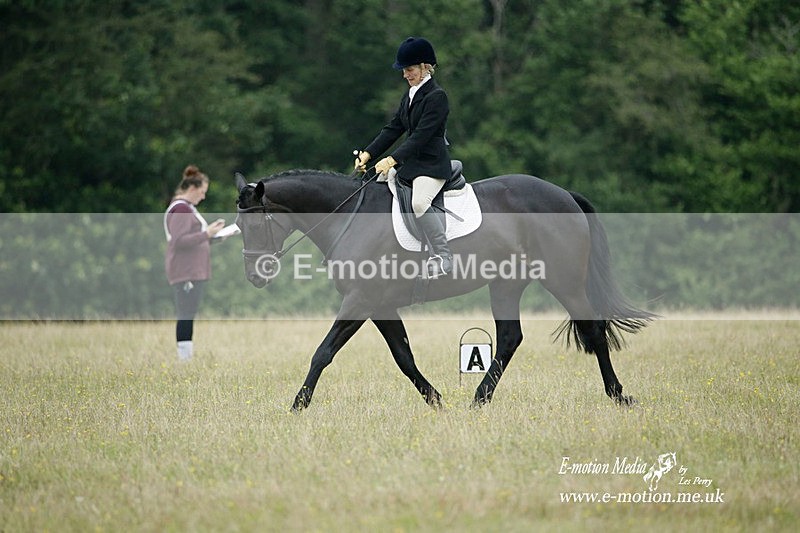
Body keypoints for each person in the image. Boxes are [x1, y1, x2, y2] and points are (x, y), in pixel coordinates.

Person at [354, 36, 453, 278]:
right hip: (412, 163)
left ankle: (443, 257)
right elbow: (394, 128)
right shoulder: (410, 94)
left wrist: (392, 160)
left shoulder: (437, 97)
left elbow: (420, 137)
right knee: (376, 187)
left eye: (409, 70)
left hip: (431, 165)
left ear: (425, 67)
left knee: (419, 203)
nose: (405, 75)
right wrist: (369, 153)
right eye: (404, 70)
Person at [163, 165, 225, 361]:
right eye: (202, 192)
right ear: (192, 188)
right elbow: (179, 241)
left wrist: (215, 236)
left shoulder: (187, 208)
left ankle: (186, 357)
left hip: (191, 270)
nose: (203, 197)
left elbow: (193, 238)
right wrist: (207, 234)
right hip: (185, 270)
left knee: (188, 312)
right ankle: (184, 360)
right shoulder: (181, 208)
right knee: (186, 313)